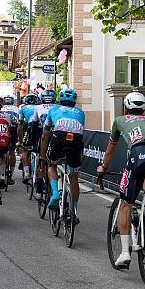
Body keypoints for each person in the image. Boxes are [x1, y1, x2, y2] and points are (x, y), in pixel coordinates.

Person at [98, 91, 145, 268]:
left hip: (138, 157)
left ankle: (124, 253)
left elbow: (110, 150)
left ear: (126, 106)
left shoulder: (120, 120)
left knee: (125, 203)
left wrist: (103, 167)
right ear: (144, 107)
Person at [40, 88, 85, 222]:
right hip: (76, 139)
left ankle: (55, 193)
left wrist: (43, 155)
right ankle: (74, 211)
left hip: (58, 137)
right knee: (73, 175)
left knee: (52, 164)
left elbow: (45, 135)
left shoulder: (53, 110)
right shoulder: (81, 112)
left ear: (60, 100)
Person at [29, 89, 56, 199]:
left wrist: (32, 142)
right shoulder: (57, 107)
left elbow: (34, 126)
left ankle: (39, 189)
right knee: (53, 163)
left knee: (42, 160)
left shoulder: (38, 107)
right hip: (57, 134)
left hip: (44, 135)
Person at [18, 93, 39, 183]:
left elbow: (20, 126)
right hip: (40, 127)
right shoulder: (40, 107)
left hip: (30, 126)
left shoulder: (23, 108)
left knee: (25, 149)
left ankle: (27, 173)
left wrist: (20, 141)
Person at [1, 95, 20, 185]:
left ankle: (2, 174)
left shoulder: (1, 108)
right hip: (13, 128)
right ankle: (11, 174)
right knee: (12, 151)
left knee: (3, 152)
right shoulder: (16, 108)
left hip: (3, 128)